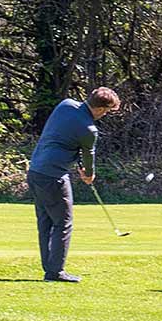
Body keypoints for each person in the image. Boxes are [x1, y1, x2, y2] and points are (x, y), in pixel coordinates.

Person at [27, 87, 119, 282]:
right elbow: (88, 155)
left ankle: (50, 268)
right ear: (101, 109)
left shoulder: (65, 105)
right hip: (54, 176)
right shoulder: (89, 130)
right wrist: (89, 174)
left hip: (35, 170)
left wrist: (77, 162)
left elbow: (64, 136)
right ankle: (55, 272)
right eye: (107, 110)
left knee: (45, 222)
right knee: (63, 223)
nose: (105, 114)